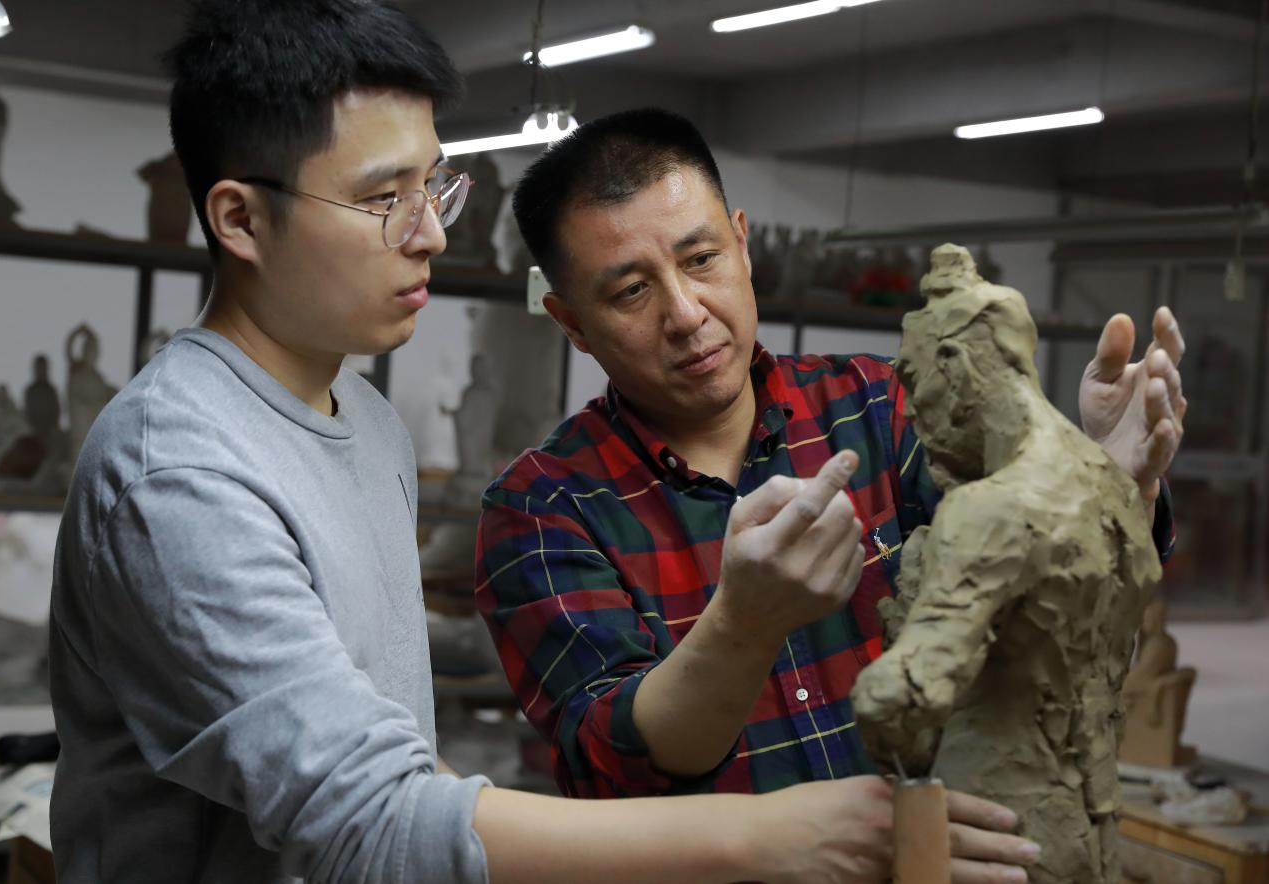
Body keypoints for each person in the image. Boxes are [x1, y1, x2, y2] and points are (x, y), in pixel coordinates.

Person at [47, 4, 935, 883]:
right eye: (383, 200)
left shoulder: (367, 420)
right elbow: (367, 821)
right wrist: (760, 837)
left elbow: (396, 762)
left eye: (432, 187)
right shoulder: (181, 473)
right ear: (241, 220)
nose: (431, 233)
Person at [476, 108, 1185, 883]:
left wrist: (1110, 486)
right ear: (573, 323)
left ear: (743, 245)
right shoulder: (541, 509)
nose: (685, 313)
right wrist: (743, 623)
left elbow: (1044, 595)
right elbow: (621, 763)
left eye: (702, 259)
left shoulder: (881, 406)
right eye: (632, 291)